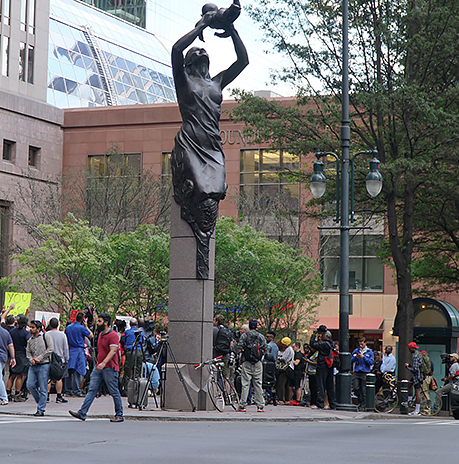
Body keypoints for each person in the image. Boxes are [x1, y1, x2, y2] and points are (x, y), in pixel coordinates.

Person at [170, 5, 247, 278]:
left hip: (213, 148)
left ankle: (203, 246)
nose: (201, 53)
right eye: (197, 53)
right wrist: (201, 26)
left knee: (216, 190)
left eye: (204, 52)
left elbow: (243, 62)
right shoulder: (184, 83)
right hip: (190, 143)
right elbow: (176, 50)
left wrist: (232, 30)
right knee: (199, 189)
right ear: (189, 64)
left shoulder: (216, 84)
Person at [69, 313, 124, 422]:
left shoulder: (112, 335)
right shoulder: (100, 334)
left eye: (99, 321)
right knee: (92, 390)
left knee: (114, 391)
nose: (97, 323)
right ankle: (82, 412)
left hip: (109, 368)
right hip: (99, 366)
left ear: (106, 322)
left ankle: (119, 414)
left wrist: (103, 363)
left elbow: (113, 351)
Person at [236, 319, 267, 412]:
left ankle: (242, 405)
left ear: (249, 326)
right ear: (256, 326)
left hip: (246, 362)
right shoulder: (261, 336)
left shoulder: (245, 336)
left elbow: (239, 349)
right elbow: (265, 349)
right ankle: (260, 406)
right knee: (258, 383)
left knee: (245, 383)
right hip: (257, 363)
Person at [26, 320, 54, 416]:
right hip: (33, 365)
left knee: (43, 388)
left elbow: (50, 349)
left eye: (33, 327)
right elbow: (28, 352)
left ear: (38, 328)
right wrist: (31, 359)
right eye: (30, 327)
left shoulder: (45, 336)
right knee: (30, 385)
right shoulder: (30, 340)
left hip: (44, 365)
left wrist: (40, 357)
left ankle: (41, 409)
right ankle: (41, 401)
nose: (31, 329)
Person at [65, 312, 92, 397]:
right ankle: (76, 391)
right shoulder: (82, 328)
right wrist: (86, 326)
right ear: (83, 319)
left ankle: (68, 391)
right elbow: (91, 335)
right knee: (78, 371)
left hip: (70, 350)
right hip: (79, 351)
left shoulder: (68, 327)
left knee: (69, 371)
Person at [310, 327, 337, 410]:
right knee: (330, 386)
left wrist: (313, 335)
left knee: (320, 384)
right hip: (329, 366)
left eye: (322, 335)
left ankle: (320, 403)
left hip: (322, 365)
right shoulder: (331, 344)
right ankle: (332, 404)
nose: (321, 336)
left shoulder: (324, 344)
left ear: (326, 336)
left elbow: (312, 344)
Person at [44, 317, 69, 403]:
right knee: (59, 378)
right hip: (59, 359)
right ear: (58, 325)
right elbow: (65, 348)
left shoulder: (46, 334)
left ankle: (46, 396)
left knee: (48, 377)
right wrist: (66, 358)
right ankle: (59, 396)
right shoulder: (62, 335)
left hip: (48, 358)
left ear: (49, 325)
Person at [7, 315, 31, 402]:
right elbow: (29, 343)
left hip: (13, 353)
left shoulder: (12, 331)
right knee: (20, 375)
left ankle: (8, 393)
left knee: (12, 375)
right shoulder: (26, 333)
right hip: (22, 354)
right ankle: (17, 393)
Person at [351, 337, 374, 410]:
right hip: (357, 371)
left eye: (362, 344)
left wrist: (363, 357)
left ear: (365, 343)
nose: (360, 345)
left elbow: (371, 362)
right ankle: (359, 400)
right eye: (359, 344)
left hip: (365, 372)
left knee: (363, 390)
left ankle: (363, 405)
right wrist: (356, 357)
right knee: (355, 387)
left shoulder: (369, 352)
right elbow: (351, 360)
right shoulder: (356, 351)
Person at [123, 317, 144, 393]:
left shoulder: (127, 332)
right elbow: (142, 342)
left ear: (129, 324)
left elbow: (125, 341)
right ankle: (136, 391)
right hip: (138, 352)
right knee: (137, 372)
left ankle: (126, 390)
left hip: (130, 352)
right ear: (137, 324)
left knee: (128, 371)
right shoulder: (140, 332)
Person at [212, 315, 234, 380]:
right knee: (226, 377)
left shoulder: (214, 329)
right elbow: (231, 345)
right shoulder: (228, 331)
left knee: (214, 376)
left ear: (217, 321)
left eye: (214, 320)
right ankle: (226, 390)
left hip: (216, 356)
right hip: (226, 356)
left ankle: (216, 390)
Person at [405, 341, 423, 415]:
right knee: (409, 384)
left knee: (417, 392)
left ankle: (417, 410)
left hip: (417, 376)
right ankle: (409, 401)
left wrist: (408, 368)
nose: (409, 350)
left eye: (409, 349)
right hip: (417, 376)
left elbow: (415, 368)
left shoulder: (415, 356)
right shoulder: (419, 354)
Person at [277, 336, 293, 404]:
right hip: (290, 368)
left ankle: (281, 399)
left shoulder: (288, 350)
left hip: (285, 368)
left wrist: (279, 358)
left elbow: (284, 359)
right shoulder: (291, 349)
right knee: (287, 385)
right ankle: (287, 399)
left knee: (281, 384)